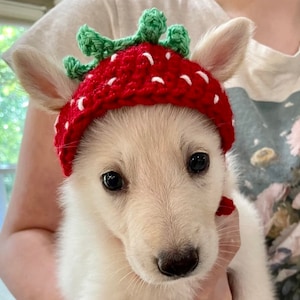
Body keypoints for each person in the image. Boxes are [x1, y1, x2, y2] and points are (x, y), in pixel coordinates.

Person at [0, 0, 299, 299]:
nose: (175, 245)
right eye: (113, 181)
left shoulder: (242, 226)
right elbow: (25, 234)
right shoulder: (107, 8)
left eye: (197, 163)